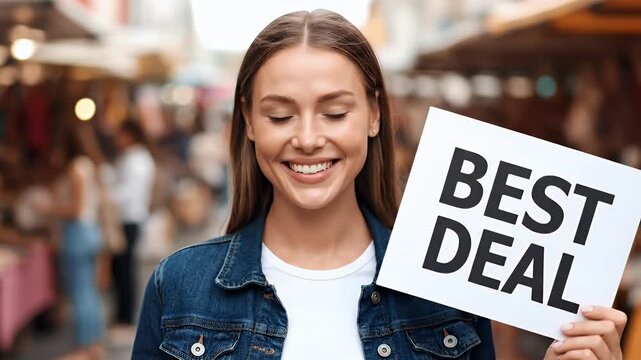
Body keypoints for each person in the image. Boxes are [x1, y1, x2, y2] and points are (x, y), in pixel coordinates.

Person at [133, 10, 626, 359]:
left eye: (335, 112)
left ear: (373, 115)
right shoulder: (178, 288)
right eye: (281, 114)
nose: (307, 138)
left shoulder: (449, 290)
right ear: (250, 121)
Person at [37, 126, 105, 359]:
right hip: (89, 230)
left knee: (81, 292)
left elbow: (76, 208)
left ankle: (85, 346)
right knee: (89, 291)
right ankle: (94, 344)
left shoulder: (76, 168)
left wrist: (49, 208)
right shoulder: (88, 165)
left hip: (77, 232)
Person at [108, 120, 155, 331]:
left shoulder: (136, 160)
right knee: (123, 269)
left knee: (125, 269)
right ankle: (123, 315)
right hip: (129, 218)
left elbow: (128, 193)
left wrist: (106, 198)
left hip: (129, 218)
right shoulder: (133, 158)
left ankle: (125, 317)